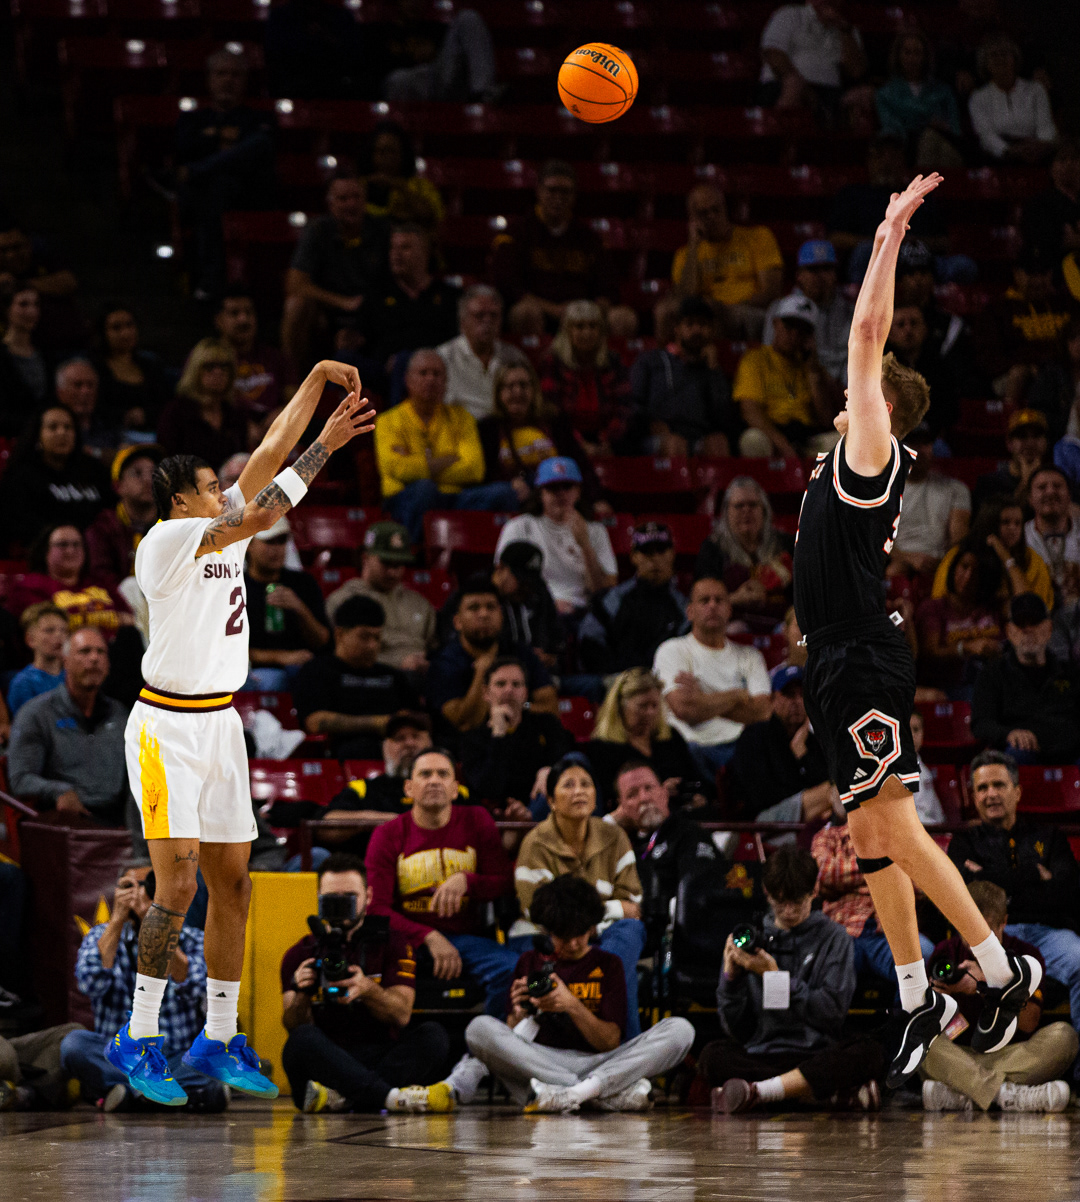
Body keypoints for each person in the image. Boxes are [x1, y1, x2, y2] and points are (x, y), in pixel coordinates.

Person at [794, 172, 1042, 1091]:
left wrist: (889, 234)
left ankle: (998, 963)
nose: (838, 400)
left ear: (878, 410)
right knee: (867, 829)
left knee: (896, 818)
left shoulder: (870, 451)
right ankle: (913, 993)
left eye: (854, 396)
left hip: (862, 651)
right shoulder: (839, 472)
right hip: (836, 656)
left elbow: (866, 335)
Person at [106, 358, 372, 1107]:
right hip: (164, 729)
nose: (225, 490)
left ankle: (219, 1038)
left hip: (220, 726)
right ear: (179, 500)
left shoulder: (219, 530)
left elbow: (264, 456)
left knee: (233, 887)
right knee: (178, 884)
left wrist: (315, 383)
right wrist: (329, 443)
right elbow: (262, 505)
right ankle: (139, 1033)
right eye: (210, 488)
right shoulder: (166, 542)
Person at [465, 875, 694, 1112]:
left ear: (592, 928)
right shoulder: (530, 961)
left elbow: (609, 1042)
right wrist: (519, 1013)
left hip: (603, 1062)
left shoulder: (608, 964)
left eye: (581, 934)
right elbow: (512, 1042)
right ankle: (595, 1094)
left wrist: (572, 1005)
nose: (574, 944)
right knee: (478, 1028)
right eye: (564, 937)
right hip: (543, 1061)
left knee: (680, 1030)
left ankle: (572, 1093)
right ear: (548, 932)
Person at [702, 846, 884, 1115]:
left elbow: (832, 1013)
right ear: (767, 893)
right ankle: (816, 1095)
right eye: (779, 901)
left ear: (814, 891)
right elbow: (736, 1030)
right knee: (711, 1056)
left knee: (871, 1051)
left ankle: (760, 1093)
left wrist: (774, 977)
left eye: (797, 902)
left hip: (815, 1052)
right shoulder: (749, 940)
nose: (788, 911)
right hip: (764, 1052)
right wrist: (730, 979)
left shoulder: (835, 938)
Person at [280, 852, 455, 1114]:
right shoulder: (300, 953)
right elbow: (293, 1025)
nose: (341, 905)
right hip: (328, 1059)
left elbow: (401, 1014)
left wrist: (368, 989)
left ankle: (344, 1097)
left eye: (349, 897)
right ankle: (390, 1098)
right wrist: (302, 992)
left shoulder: (393, 943)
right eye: (331, 899)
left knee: (434, 1036)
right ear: (318, 899)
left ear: (369, 897)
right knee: (300, 1040)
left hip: (379, 1054)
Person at [61, 861, 226, 1112]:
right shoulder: (100, 937)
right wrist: (117, 920)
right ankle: (164, 1094)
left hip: (173, 1055)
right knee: (74, 1045)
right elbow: (90, 983)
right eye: (130, 886)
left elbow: (194, 986)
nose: (141, 893)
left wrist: (160, 925)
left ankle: (130, 1094)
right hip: (119, 1053)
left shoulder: (191, 938)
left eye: (149, 885)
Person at [364, 748, 517, 1016]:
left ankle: (488, 1049)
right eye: (425, 774)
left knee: (511, 969)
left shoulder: (477, 819)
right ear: (409, 788)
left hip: (466, 939)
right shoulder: (387, 834)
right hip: (405, 940)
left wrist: (466, 881)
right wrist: (429, 936)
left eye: (443, 774)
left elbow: (503, 882)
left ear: (456, 789)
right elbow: (376, 908)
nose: (434, 780)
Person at [511, 757, 647, 1038]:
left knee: (628, 937)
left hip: (606, 934)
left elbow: (633, 902)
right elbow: (538, 911)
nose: (579, 792)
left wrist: (595, 917)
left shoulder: (614, 835)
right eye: (569, 785)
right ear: (550, 800)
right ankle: (619, 1052)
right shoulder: (535, 842)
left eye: (586, 784)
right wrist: (608, 909)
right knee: (612, 963)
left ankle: (621, 1050)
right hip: (551, 936)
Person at [950, 750, 1080, 1032]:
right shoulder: (963, 843)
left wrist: (986, 878)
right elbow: (965, 898)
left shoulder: (1050, 837)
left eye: (999, 785)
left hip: (1048, 935)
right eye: (982, 788)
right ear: (974, 798)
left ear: (1017, 792)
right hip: (988, 937)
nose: (991, 794)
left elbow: (1066, 894)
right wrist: (1034, 875)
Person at [921, 881, 1077, 1113]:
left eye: (983, 933)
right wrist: (939, 1004)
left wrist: (987, 986)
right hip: (962, 1052)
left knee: (1065, 1037)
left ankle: (966, 1094)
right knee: (920, 1043)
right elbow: (936, 1027)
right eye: (966, 930)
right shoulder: (945, 953)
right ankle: (1009, 1096)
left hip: (1010, 1054)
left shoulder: (1026, 956)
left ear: (1003, 923)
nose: (973, 942)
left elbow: (1029, 1022)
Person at [374, 349, 518, 544]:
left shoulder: (462, 418)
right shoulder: (387, 421)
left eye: (437, 374)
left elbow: (474, 470)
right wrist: (446, 461)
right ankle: (408, 556)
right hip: (406, 498)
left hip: (454, 498)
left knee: (504, 493)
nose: (431, 379)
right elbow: (396, 469)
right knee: (424, 489)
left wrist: (419, 466)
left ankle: (494, 564)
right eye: (423, 373)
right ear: (407, 380)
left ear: (446, 382)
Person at [174, 48, 276, 300]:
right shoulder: (191, 119)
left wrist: (207, 153)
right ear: (209, 79)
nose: (228, 80)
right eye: (221, 74)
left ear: (244, 81)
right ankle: (212, 282)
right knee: (216, 188)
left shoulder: (259, 119)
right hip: (203, 198)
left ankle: (211, 282)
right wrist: (230, 150)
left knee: (259, 144)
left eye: (234, 75)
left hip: (251, 193)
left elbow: (259, 153)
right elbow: (184, 150)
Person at [812, 792, 934, 999]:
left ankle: (905, 1027)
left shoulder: (899, 833)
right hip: (842, 933)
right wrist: (883, 866)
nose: (849, 797)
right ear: (832, 798)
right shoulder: (826, 837)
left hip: (889, 932)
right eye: (842, 791)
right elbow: (823, 876)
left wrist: (848, 876)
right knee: (816, 961)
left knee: (925, 954)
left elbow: (920, 885)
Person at [265, 712, 436, 857]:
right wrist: (392, 821)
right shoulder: (364, 788)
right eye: (399, 738)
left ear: (430, 742)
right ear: (385, 747)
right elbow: (325, 823)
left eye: (416, 736)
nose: (409, 743)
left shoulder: (456, 790)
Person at [492, 160, 628, 338]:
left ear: (574, 195)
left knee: (623, 318)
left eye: (565, 191)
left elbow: (608, 288)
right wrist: (553, 309)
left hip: (582, 313)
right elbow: (509, 287)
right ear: (539, 191)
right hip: (538, 309)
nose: (558, 197)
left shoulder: (589, 238)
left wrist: (585, 310)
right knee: (524, 313)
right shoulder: (517, 233)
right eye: (552, 190)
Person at [7, 627, 130, 825]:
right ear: (65, 660)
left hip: (118, 821)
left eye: (101, 652)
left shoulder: (120, 714)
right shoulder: (36, 714)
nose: (94, 659)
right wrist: (58, 790)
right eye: (84, 651)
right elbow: (21, 779)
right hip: (62, 823)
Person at [653, 576, 772, 774]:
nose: (712, 606)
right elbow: (685, 710)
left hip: (742, 747)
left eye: (719, 600)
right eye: (704, 600)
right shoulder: (672, 650)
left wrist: (702, 700)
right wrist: (737, 695)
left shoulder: (751, 656)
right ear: (689, 612)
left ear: (729, 610)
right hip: (693, 749)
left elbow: (762, 712)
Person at [604, 761, 720, 947]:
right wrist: (612, 819)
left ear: (664, 793)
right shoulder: (621, 844)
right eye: (632, 795)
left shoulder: (688, 834)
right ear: (622, 806)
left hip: (678, 941)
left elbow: (697, 898)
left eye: (649, 788)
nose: (644, 798)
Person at [426, 572, 556, 737]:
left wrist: (521, 705)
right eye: (474, 608)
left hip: (522, 741)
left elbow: (551, 709)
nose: (484, 614)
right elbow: (465, 723)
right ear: (457, 622)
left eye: (491, 607)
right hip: (468, 750)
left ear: (501, 617)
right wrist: (482, 672)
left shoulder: (521, 653)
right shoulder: (444, 663)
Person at [282, 170, 390, 364]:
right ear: (330, 203)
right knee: (296, 305)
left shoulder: (382, 230)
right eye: (343, 199)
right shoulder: (318, 230)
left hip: (372, 308)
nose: (351, 204)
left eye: (356, 197)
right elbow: (295, 284)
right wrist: (344, 302)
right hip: (329, 310)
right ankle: (291, 377)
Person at [293, 594, 418, 759]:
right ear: (340, 635)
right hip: (343, 752)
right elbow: (316, 722)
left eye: (377, 637)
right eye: (364, 637)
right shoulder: (317, 671)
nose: (373, 645)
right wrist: (377, 723)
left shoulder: (393, 676)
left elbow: (412, 717)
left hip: (397, 749)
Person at [495, 458, 617, 618]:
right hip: (534, 609)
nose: (561, 493)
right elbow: (502, 581)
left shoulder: (595, 530)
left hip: (584, 611)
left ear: (578, 491)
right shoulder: (519, 527)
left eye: (567, 487)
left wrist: (585, 545)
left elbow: (602, 591)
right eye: (552, 488)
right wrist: (546, 603)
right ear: (540, 493)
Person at [972, 593, 1080, 763]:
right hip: (1022, 755)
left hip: (1068, 752)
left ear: (1049, 628)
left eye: (1035, 622)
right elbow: (981, 724)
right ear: (1009, 631)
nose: (1028, 629)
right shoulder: (992, 674)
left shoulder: (1071, 673)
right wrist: (1009, 734)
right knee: (1016, 755)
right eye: (1020, 623)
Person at [665, 185, 783, 342]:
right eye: (704, 213)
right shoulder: (685, 255)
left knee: (712, 310)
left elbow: (771, 292)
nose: (712, 216)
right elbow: (685, 297)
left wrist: (730, 307)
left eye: (716, 210)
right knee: (665, 311)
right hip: (706, 314)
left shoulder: (758, 237)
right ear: (692, 218)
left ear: (725, 208)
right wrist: (694, 246)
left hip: (750, 311)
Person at [460, 656, 573, 815]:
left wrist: (550, 770)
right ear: (486, 692)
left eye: (516, 684)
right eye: (500, 684)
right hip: (498, 815)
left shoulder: (546, 724)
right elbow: (489, 789)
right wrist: (499, 735)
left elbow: (567, 761)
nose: (509, 690)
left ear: (525, 693)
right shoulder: (473, 739)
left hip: (544, 807)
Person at [828, 139, 951, 283]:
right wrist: (883, 242)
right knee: (865, 252)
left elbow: (944, 241)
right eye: (880, 156)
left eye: (893, 156)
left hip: (916, 258)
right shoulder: (853, 194)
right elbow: (835, 238)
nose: (886, 163)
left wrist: (911, 242)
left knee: (962, 266)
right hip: (876, 257)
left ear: (903, 161)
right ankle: (864, 303)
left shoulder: (918, 194)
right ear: (869, 161)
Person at [733, 293, 840, 457]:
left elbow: (826, 420)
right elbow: (750, 411)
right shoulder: (755, 359)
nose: (794, 334)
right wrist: (783, 445)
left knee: (850, 441)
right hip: (773, 434)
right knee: (752, 440)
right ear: (776, 324)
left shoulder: (813, 369)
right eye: (789, 326)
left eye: (803, 330)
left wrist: (812, 370)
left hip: (806, 438)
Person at [629, 295, 736, 457]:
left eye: (703, 324)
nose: (696, 330)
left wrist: (713, 371)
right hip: (659, 436)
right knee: (675, 444)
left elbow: (725, 420)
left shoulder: (711, 369)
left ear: (711, 330)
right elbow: (634, 402)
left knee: (718, 443)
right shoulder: (651, 360)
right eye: (690, 324)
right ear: (677, 328)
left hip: (698, 436)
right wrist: (650, 424)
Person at [478, 360, 597, 503]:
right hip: (512, 500)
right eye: (510, 386)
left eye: (523, 385)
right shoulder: (487, 428)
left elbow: (581, 465)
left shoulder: (555, 422)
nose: (517, 392)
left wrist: (597, 500)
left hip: (555, 497)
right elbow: (483, 477)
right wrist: (508, 483)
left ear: (534, 390)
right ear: (499, 393)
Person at [585, 667, 705, 807]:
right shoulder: (602, 748)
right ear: (620, 707)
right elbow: (611, 798)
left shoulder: (671, 737)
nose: (650, 713)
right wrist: (659, 792)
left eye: (655, 705)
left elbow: (697, 780)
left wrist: (697, 795)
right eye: (642, 706)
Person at [579, 522, 688, 676]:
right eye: (647, 552)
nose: (655, 559)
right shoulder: (611, 601)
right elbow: (590, 641)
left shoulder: (684, 607)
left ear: (672, 553)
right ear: (634, 556)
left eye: (661, 551)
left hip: (667, 684)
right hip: (619, 684)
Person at [730, 664, 833, 824]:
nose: (797, 702)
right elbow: (760, 795)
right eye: (789, 695)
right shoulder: (754, 736)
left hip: (808, 815)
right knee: (836, 791)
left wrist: (803, 755)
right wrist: (803, 791)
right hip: (764, 821)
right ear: (772, 700)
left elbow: (824, 778)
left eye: (802, 695)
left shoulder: (811, 741)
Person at [326, 521, 435, 673]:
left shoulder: (419, 603)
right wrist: (399, 664)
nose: (392, 572)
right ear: (365, 558)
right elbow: (342, 656)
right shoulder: (345, 600)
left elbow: (435, 648)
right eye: (386, 563)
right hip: (372, 678)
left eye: (398, 565)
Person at [0, 406, 111, 550]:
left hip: (96, 551)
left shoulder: (94, 470)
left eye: (68, 427)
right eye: (53, 427)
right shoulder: (20, 476)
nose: (62, 432)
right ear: (37, 435)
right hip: (43, 554)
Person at [244, 516, 330, 691]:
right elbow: (224, 650)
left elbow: (324, 643)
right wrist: (281, 657)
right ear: (249, 545)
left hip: (301, 670)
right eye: (269, 542)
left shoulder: (303, 583)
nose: (276, 549)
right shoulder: (235, 586)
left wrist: (300, 609)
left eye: (281, 541)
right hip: (254, 672)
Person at [695, 478, 794, 629]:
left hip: (781, 624)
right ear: (727, 512)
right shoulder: (712, 549)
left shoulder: (786, 544)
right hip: (732, 625)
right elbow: (702, 599)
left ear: (765, 511)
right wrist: (735, 598)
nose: (746, 511)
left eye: (753, 505)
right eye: (739, 506)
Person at [537, 301, 632, 457]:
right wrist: (580, 444)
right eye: (579, 326)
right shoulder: (553, 362)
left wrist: (606, 441)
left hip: (608, 440)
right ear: (567, 331)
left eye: (592, 326)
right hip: (565, 438)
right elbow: (551, 411)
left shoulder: (613, 361)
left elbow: (624, 408)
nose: (587, 333)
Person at [975, 246, 1077, 388]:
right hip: (1015, 374)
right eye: (1030, 273)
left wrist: (1048, 367)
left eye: (1043, 273)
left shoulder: (1067, 304)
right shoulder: (998, 309)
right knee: (1019, 374)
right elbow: (989, 359)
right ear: (1016, 273)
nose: (1037, 280)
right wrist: (1029, 366)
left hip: (1063, 372)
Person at [935, 498, 1054, 614]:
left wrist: (1005, 556)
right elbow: (940, 601)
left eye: (1018, 523)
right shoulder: (961, 554)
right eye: (1006, 522)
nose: (1013, 528)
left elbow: (1033, 609)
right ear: (989, 522)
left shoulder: (1032, 559)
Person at [914, 540, 1003, 694]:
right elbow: (930, 652)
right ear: (954, 567)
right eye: (964, 566)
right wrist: (966, 648)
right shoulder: (933, 608)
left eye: (976, 572)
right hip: (947, 689)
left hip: (990, 685)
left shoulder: (993, 608)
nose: (968, 577)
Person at [364, 225, 460, 366]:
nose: (396, 254)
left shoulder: (449, 296)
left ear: (425, 253)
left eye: (405, 248)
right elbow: (366, 341)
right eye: (393, 248)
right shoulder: (377, 295)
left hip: (434, 370)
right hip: (384, 374)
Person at [8, 524, 128, 636]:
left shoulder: (101, 583)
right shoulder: (30, 586)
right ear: (45, 551)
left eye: (76, 544)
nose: (70, 551)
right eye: (62, 545)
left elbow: (130, 619)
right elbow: (42, 630)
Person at [763, 240, 854, 383]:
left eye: (826, 269)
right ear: (799, 275)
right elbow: (771, 356)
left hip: (842, 385)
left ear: (835, 274)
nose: (820, 276)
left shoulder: (852, 312)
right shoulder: (780, 309)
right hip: (799, 381)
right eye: (813, 269)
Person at [887, 424, 971, 579]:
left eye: (925, 443)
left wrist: (943, 563)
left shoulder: (956, 489)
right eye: (912, 443)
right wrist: (908, 559)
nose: (919, 450)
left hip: (941, 563)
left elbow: (959, 542)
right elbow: (876, 538)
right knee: (894, 572)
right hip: (899, 562)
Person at [875, 29, 963, 168]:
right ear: (898, 56)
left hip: (943, 147)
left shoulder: (943, 92)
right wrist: (927, 122)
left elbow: (954, 128)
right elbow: (892, 128)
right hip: (906, 148)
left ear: (925, 56)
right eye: (907, 52)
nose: (912, 58)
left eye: (917, 53)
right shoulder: (886, 94)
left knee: (940, 147)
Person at [382, 3, 498, 103]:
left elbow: (451, 65)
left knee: (468, 17)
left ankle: (483, 93)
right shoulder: (384, 32)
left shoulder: (435, 28)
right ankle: (395, 126)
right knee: (398, 79)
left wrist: (433, 55)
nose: (414, 3)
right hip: (408, 85)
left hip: (441, 82)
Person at [214, 290, 295, 431]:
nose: (243, 319)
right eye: (234, 313)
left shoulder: (275, 357)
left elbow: (297, 399)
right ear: (219, 321)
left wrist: (282, 413)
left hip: (275, 432)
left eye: (249, 312)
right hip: (227, 432)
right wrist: (240, 425)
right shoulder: (208, 359)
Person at [84, 444, 163, 588]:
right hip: (118, 604)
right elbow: (101, 579)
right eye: (137, 473)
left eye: (154, 473)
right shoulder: (102, 529)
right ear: (117, 486)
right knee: (130, 587)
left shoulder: (172, 525)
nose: (148, 480)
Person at [968, 34, 1057, 163]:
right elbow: (986, 135)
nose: (1000, 59)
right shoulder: (978, 98)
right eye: (994, 55)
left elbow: (1046, 126)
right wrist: (1010, 150)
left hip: (1037, 150)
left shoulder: (1035, 90)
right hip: (999, 156)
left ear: (1014, 58)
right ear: (985, 63)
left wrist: (1041, 146)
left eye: (1004, 54)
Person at [157, 339, 247, 465]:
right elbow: (167, 462)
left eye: (224, 366)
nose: (218, 372)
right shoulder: (176, 412)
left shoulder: (234, 414)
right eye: (210, 366)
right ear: (195, 370)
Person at [436, 285, 516, 422]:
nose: (487, 321)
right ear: (462, 321)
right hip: (460, 433)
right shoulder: (442, 358)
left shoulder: (514, 357)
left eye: (493, 315)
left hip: (505, 430)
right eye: (479, 315)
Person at [883, 304, 965, 438]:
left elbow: (949, 412)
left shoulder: (941, 368)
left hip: (933, 440)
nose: (908, 330)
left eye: (914, 324)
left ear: (925, 329)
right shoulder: (881, 370)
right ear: (890, 333)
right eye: (901, 325)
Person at [490, 539, 565, 671]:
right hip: (498, 676)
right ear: (500, 568)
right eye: (521, 579)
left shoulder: (538, 591)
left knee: (593, 685)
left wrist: (550, 657)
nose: (527, 587)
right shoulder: (479, 595)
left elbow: (557, 636)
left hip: (540, 675)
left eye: (531, 580)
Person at [94, 305, 168, 435]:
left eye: (129, 325)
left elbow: (164, 404)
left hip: (152, 433)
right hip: (111, 435)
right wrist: (124, 416)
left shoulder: (151, 365)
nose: (125, 333)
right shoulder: (95, 368)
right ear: (103, 333)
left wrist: (146, 415)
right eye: (116, 328)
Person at [358, 120, 444, 231]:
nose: (385, 157)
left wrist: (399, 187)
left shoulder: (420, 186)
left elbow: (430, 218)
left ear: (403, 154)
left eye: (391, 151)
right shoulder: (359, 186)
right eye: (380, 151)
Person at [972, 408, 1051, 514]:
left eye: (1036, 436)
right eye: (1022, 436)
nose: (1030, 443)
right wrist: (1026, 483)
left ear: (1046, 442)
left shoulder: (1056, 483)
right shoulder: (990, 483)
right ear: (1009, 444)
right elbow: (992, 522)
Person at [1025, 466, 1080, 606]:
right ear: (1030, 498)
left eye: (1057, 486)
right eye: (1042, 487)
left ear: (1069, 495)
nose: (1050, 492)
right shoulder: (1020, 538)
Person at [1022, 137, 1080, 262]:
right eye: (1062, 159)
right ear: (1051, 167)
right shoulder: (1039, 204)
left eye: (1074, 159)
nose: (1069, 164)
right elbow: (1044, 244)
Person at [0, 285, 49, 428]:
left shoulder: (45, 354)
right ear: (6, 309)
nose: (32, 311)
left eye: (36, 304)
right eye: (23, 304)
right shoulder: (3, 355)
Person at [6, 602, 67, 717]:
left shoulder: (73, 675)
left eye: (63, 630)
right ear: (30, 640)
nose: (59, 635)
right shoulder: (23, 683)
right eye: (49, 630)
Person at [56, 358, 117, 456]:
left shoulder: (110, 425)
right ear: (60, 392)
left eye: (90, 385)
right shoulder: (53, 428)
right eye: (77, 385)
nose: (85, 391)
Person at [908, 711, 946, 826]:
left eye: (916, 729)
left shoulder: (925, 771)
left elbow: (936, 812)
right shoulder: (890, 770)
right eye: (906, 730)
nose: (911, 735)